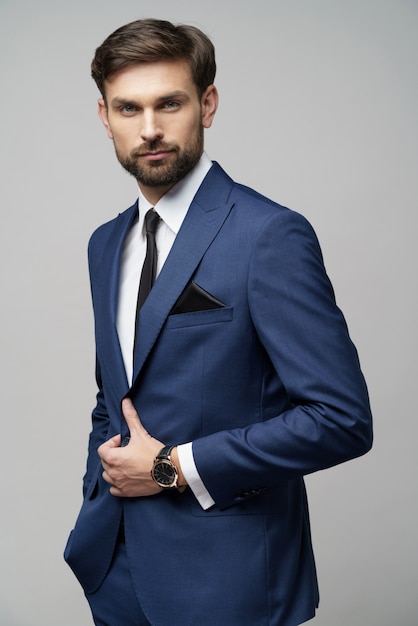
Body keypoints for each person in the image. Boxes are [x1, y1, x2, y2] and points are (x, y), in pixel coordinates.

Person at [64, 18, 373, 626]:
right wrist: (98, 492)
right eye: (128, 108)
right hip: (115, 572)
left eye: (168, 103)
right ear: (104, 116)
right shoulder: (106, 243)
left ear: (206, 104)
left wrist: (171, 468)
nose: (149, 129)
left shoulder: (269, 235)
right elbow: (116, 392)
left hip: (229, 583)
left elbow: (341, 420)